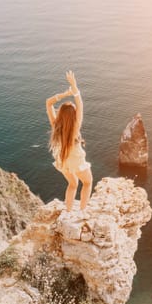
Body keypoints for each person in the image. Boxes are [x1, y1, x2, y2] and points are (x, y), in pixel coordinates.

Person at [46, 70, 93, 212]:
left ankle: (68, 211)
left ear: (60, 114)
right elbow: (80, 104)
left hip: (63, 160)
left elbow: (48, 103)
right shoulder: (76, 126)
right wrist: (74, 86)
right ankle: (83, 210)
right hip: (76, 160)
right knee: (87, 182)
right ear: (74, 116)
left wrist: (64, 95)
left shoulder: (55, 125)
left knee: (73, 184)